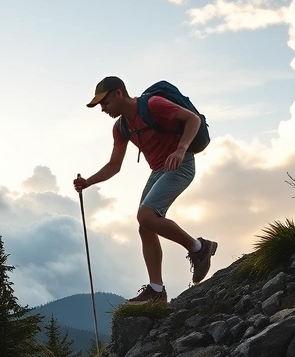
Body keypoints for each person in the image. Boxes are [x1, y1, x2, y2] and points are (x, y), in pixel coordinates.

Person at [74, 76, 217, 304]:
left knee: (146, 216)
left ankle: (199, 248)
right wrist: (88, 182)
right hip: (159, 171)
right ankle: (156, 290)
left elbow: (193, 120)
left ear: (118, 93)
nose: (103, 109)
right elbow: (114, 165)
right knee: (145, 226)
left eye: (105, 102)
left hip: (181, 164)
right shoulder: (121, 127)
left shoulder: (152, 105)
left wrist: (181, 150)